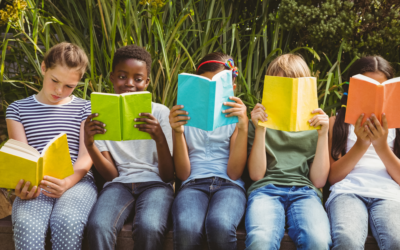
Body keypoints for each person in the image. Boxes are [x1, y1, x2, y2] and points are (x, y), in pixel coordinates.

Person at [7, 42, 96, 249]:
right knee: (27, 225)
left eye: (69, 86)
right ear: (44, 67)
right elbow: (22, 159)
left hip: (77, 181)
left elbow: (86, 156)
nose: (59, 90)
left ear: (78, 82)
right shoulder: (17, 110)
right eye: (54, 81)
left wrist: (67, 182)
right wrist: (23, 188)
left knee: (67, 222)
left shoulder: (85, 108)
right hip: (36, 185)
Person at [85, 45, 174, 250]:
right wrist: (90, 145)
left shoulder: (160, 113)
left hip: (156, 184)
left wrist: (159, 137)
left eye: (138, 79)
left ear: (147, 82)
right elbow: (111, 175)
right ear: (112, 78)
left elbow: (168, 176)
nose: (130, 84)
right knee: (98, 226)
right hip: (119, 184)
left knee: (149, 227)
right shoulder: (101, 115)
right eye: (122, 77)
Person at [245, 54, 332, 250]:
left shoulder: (316, 123)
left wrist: (323, 134)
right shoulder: (259, 121)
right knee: (261, 240)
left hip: (305, 192)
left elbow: (318, 181)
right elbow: (257, 175)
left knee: (318, 241)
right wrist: (260, 129)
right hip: (265, 190)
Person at [170, 52, 248, 250]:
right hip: (193, 184)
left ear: (232, 87)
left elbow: (234, 173)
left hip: (229, 185)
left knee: (220, 225)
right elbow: (183, 174)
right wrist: (177, 132)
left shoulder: (235, 121)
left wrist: (243, 126)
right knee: (187, 229)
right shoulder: (184, 118)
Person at [327, 56, 400, 249]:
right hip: (347, 192)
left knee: (397, 240)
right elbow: (333, 177)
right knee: (346, 240)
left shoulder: (397, 127)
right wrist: (361, 144)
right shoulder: (337, 123)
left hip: (389, 195)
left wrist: (381, 146)